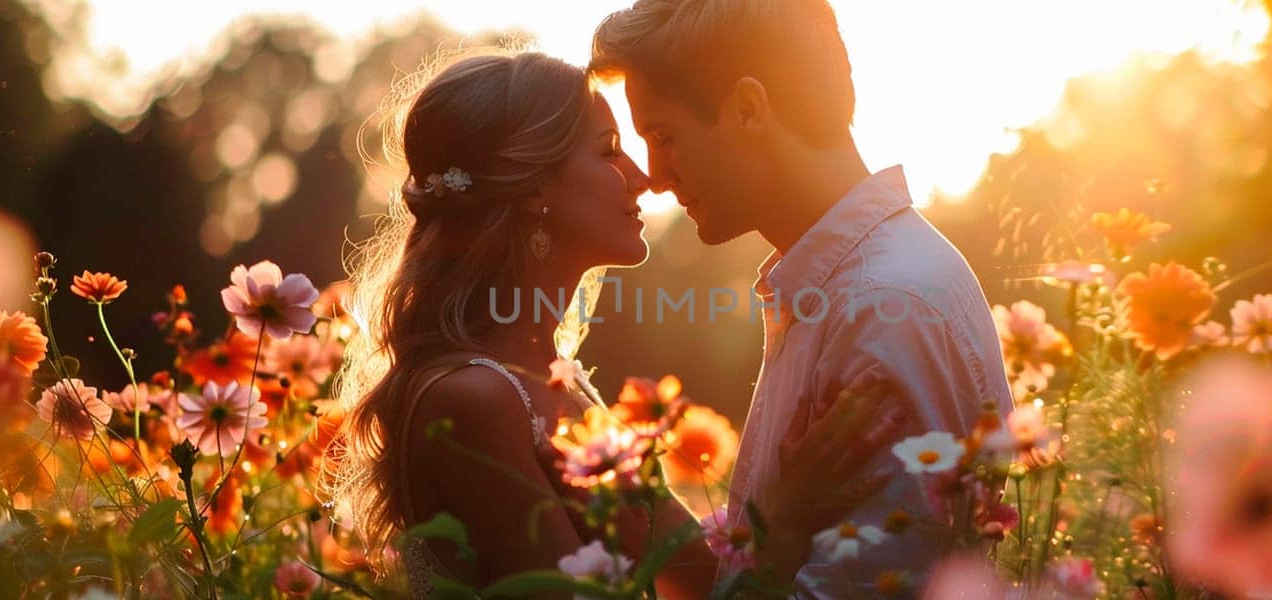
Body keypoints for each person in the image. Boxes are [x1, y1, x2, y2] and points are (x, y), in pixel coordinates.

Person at [323, 49, 903, 598]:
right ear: (533, 188)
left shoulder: (554, 382)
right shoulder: (473, 399)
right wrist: (785, 518)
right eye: (608, 150)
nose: (642, 176)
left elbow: (705, 586)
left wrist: (785, 502)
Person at [591, 0, 1016, 595]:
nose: (655, 174)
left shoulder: (883, 308)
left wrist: (776, 532)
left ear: (747, 108)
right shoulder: (840, 286)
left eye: (664, 136)